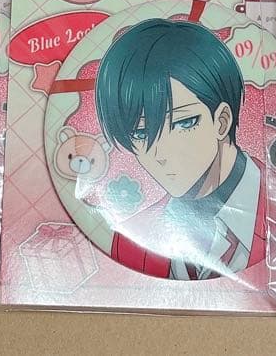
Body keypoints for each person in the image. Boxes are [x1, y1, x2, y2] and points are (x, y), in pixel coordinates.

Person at [93, 18, 265, 279]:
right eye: (140, 133)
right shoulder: (133, 239)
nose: (160, 153)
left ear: (222, 121)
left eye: (184, 123)